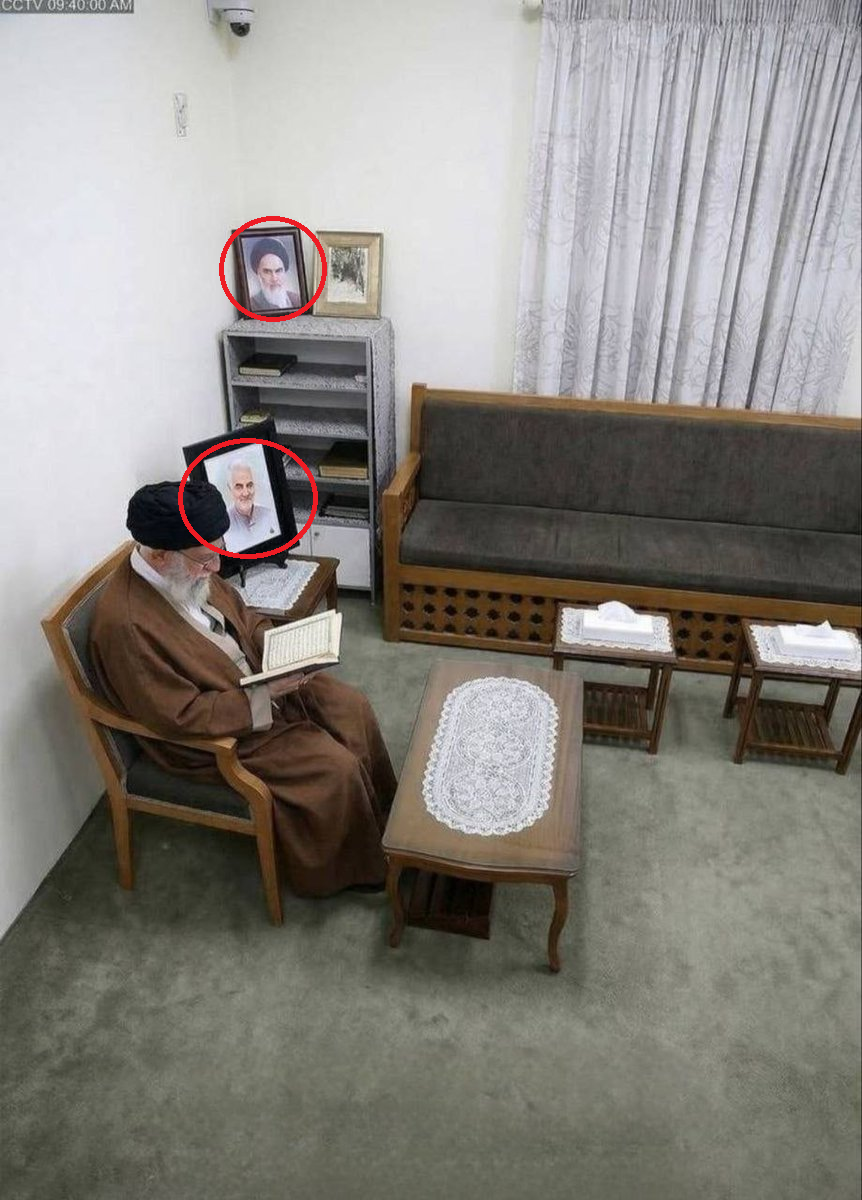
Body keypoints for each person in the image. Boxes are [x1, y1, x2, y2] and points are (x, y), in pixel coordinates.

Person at [88, 480, 397, 897]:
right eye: (205, 559)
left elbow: (244, 616)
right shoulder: (125, 626)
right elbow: (180, 716)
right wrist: (266, 695)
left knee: (350, 706)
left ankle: (381, 821)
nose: (216, 567)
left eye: (219, 551)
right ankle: (356, 870)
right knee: (333, 768)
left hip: (255, 678)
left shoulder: (188, 566)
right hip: (213, 736)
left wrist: (279, 647)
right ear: (159, 556)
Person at [224, 459, 278, 551]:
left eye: (249, 485)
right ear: (230, 489)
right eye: (239, 487)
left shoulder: (270, 515)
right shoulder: (223, 524)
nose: (246, 493)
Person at [248, 237, 301, 312]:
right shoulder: (251, 305)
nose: (274, 278)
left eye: (278, 271)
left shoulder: (297, 299)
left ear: (284, 272)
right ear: (258, 274)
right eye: (267, 272)